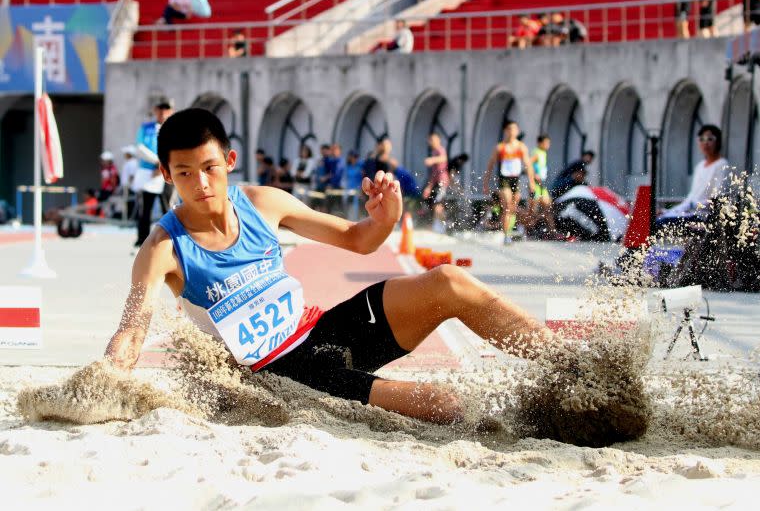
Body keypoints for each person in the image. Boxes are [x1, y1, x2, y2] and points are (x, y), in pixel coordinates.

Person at [103, 108, 552, 424]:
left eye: (210, 167)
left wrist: (387, 218)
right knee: (440, 404)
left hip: (322, 333)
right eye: (184, 173)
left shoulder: (262, 203)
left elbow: (357, 240)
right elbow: (132, 328)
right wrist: (105, 381)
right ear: (165, 174)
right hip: (281, 374)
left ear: (229, 161)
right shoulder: (162, 248)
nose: (201, 184)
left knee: (449, 281)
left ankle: (569, 367)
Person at [656, 124, 728, 231]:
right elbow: (691, 197)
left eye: (710, 139)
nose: (706, 143)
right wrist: (667, 211)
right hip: (689, 212)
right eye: (702, 139)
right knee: (655, 219)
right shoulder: (700, 166)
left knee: (659, 223)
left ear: (717, 142)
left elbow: (717, 199)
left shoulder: (722, 165)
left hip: (703, 215)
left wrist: (693, 205)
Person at [483, 121, 535, 244]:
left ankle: (510, 229)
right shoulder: (500, 147)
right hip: (504, 179)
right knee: (507, 206)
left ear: (517, 131)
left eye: (514, 129)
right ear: (506, 131)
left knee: (512, 208)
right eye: (510, 129)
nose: (512, 132)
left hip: (515, 179)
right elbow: (490, 165)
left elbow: (528, 165)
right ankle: (506, 235)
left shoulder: (521, 147)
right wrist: (486, 183)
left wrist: (531, 182)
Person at [134, 97, 173, 247]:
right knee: (145, 209)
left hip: (168, 173)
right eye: (160, 109)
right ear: (155, 111)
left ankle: (169, 239)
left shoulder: (175, 128)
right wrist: (157, 162)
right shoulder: (146, 128)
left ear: (171, 111)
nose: (163, 112)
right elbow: (140, 147)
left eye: (166, 109)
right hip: (148, 173)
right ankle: (142, 240)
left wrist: (163, 165)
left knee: (168, 207)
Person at [528, 135, 557, 236]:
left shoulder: (543, 153)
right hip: (535, 185)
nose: (548, 145)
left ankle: (552, 231)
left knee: (548, 207)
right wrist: (533, 178)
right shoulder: (536, 153)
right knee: (532, 211)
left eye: (549, 143)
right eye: (546, 143)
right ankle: (527, 229)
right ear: (540, 143)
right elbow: (528, 164)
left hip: (542, 185)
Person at [422, 133, 449, 234]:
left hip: (442, 182)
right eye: (430, 140)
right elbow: (433, 174)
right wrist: (428, 187)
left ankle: (443, 225)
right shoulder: (434, 152)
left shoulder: (440, 150)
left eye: (433, 140)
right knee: (434, 203)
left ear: (438, 140)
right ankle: (438, 224)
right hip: (436, 182)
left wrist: (432, 160)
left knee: (438, 203)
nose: (431, 143)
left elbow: (444, 158)